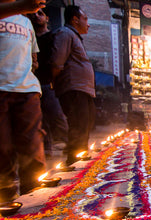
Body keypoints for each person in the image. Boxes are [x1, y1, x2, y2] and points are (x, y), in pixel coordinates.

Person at [0, 2, 46, 202]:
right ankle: (6, 199)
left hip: (26, 89)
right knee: (3, 147)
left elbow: (33, 57)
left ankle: (35, 197)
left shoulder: (26, 22)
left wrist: (29, 68)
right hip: (1, 89)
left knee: (32, 146)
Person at [51, 5, 95, 165]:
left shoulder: (74, 36)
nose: (88, 24)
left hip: (83, 90)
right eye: (85, 19)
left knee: (86, 123)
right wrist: (54, 83)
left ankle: (79, 159)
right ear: (75, 19)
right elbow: (57, 62)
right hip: (74, 88)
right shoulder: (65, 33)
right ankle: (73, 163)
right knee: (78, 126)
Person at [27, 9, 68, 159]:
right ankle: (46, 149)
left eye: (40, 14)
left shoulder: (53, 37)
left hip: (48, 82)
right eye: (34, 14)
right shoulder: (30, 37)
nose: (36, 16)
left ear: (47, 18)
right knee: (40, 118)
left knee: (56, 114)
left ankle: (67, 143)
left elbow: (58, 60)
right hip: (31, 82)